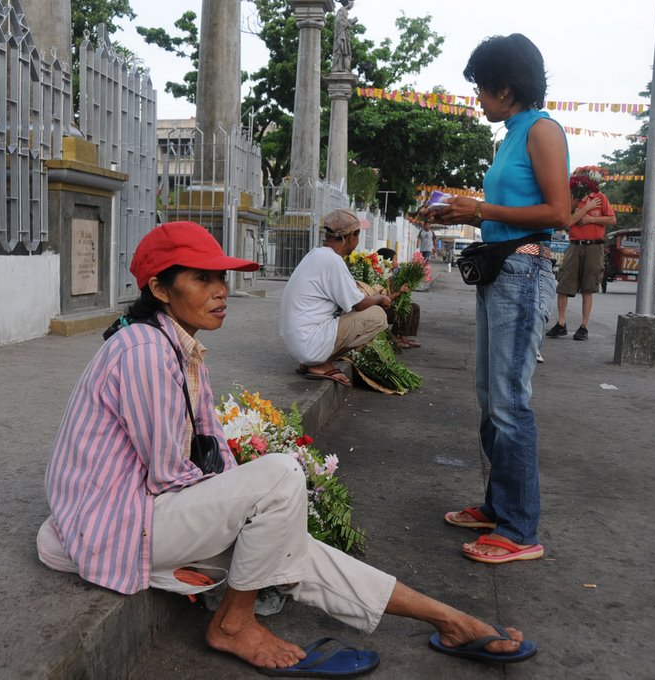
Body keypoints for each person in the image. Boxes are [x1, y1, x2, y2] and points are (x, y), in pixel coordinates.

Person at [36, 220, 538, 675]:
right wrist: (248, 511)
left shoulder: (176, 343)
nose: (220, 292)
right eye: (201, 279)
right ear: (159, 288)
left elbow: (210, 444)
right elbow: (171, 475)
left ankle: (448, 618)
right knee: (280, 478)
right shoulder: (145, 352)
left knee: (285, 537)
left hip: (141, 511)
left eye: (221, 279)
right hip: (116, 524)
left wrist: (255, 522)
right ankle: (234, 623)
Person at [426, 34, 567, 564]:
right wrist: (461, 212)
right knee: (490, 395)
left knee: (509, 402)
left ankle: (519, 530)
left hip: (526, 271)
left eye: (482, 90)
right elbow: (505, 208)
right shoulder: (510, 134)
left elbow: (557, 212)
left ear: (505, 87)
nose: (478, 100)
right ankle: (498, 504)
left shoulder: (542, 130)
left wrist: (478, 210)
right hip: (502, 269)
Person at [279, 209, 391, 387]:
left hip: (299, 343)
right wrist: (379, 299)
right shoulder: (332, 260)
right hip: (308, 343)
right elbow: (359, 304)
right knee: (377, 316)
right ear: (352, 237)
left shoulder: (317, 254)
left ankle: (314, 360)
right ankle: (320, 363)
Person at [546, 167, 616, 341]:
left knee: (588, 288)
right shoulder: (573, 200)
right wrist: (585, 209)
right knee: (564, 285)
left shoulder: (600, 198)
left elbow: (612, 219)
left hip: (594, 247)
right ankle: (561, 323)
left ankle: (584, 326)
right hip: (574, 245)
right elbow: (568, 221)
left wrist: (591, 219)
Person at [375, 247, 422, 349]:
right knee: (406, 309)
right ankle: (395, 337)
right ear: (388, 261)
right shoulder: (379, 277)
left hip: (390, 306)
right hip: (382, 310)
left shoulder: (392, 276)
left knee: (415, 307)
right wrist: (399, 292)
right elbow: (384, 299)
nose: (397, 262)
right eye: (395, 259)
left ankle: (404, 336)